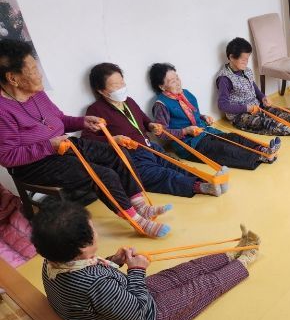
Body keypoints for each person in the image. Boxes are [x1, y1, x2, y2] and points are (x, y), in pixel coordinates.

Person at [32, 200, 260, 320]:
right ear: (83, 247)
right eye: (94, 230)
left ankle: (230, 255)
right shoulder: (95, 285)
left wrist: (115, 261)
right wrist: (136, 271)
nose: (97, 231)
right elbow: (137, 314)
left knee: (177, 273)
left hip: (122, 301)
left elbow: (97, 285)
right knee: (199, 288)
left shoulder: (53, 262)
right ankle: (244, 260)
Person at [0, 39, 170, 238]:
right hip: (35, 164)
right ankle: (136, 221)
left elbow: (59, 119)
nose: (40, 74)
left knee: (117, 152)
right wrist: (48, 145)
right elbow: (7, 157)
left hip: (62, 145)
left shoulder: (37, 94)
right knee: (103, 175)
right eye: (33, 70)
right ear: (13, 78)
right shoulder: (3, 110)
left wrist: (83, 122)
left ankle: (140, 206)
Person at [84, 62, 224, 198]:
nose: (121, 87)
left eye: (122, 82)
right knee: (163, 175)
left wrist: (152, 126)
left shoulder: (128, 101)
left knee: (175, 165)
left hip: (150, 147)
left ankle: (207, 180)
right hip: (131, 157)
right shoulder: (95, 110)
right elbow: (87, 141)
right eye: (115, 85)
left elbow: (144, 121)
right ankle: (201, 187)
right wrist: (113, 140)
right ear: (101, 90)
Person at [150, 62, 278, 170]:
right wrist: (185, 131)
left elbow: (192, 114)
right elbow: (161, 133)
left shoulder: (185, 94)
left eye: (177, 78)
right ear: (162, 87)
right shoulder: (161, 105)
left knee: (233, 137)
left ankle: (263, 149)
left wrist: (203, 117)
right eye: (172, 81)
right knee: (223, 149)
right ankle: (261, 157)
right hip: (190, 145)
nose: (178, 83)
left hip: (204, 132)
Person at [215, 37, 290, 136]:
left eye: (247, 59)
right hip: (240, 116)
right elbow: (223, 105)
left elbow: (253, 87)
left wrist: (262, 97)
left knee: (285, 112)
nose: (246, 62)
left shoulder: (246, 71)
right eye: (243, 60)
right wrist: (247, 108)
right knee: (269, 123)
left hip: (257, 107)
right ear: (231, 57)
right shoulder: (225, 79)